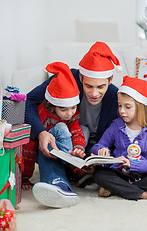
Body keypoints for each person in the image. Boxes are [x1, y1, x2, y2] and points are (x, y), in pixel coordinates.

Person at [24, 41, 122, 208]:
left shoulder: (114, 95)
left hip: (90, 147)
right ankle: (57, 184)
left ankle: (81, 173)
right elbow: (28, 102)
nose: (94, 93)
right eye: (88, 85)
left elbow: (117, 133)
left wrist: (98, 160)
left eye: (101, 87)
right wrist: (41, 132)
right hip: (62, 140)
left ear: (110, 79)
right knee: (55, 134)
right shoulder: (65, 79)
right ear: (81, 77)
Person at [91, 76, 147, 203]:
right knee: (99, 175)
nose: (122, 111)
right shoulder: (116, 125)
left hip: (144, 176)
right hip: (119, 173)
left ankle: (115, 189)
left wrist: (133, 164)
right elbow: (98, 145)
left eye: (127, 107)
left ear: (141, 107)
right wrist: (101, 150)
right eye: (119, 106)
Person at [24, 62, 86, 208]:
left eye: (73, 107)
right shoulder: (41, 115)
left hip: (64, 152)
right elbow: (28, 148)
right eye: (64, 109)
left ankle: (69, 172)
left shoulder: (72, 114)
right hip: (43, 149)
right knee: (60, 127)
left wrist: (78, 148)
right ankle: (57, 181)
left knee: (67, 128)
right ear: (52, 105)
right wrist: (25, 178)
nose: (70, 113)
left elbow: (77, 131)